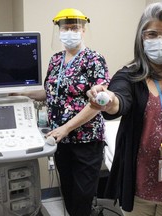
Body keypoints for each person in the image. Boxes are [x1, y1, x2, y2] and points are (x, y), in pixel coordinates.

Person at [86, 3, 162, 216]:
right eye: (152, 34)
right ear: (142, 37)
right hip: (139, 191)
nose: (159, 41)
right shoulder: (130, 75)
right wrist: (107, 100)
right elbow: (118, 100)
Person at [12, 8, 110, 216]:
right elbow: (50, 92)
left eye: (75, 27)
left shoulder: (94, 59)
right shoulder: (56, 60)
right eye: (65, 28)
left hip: (86, 140)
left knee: (82, 198)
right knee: (69, 193)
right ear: (58, 30)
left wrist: (66, 128)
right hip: (60, 140)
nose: (70, 31)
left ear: (83, 30)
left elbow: (98, 103)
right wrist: (20, 94)